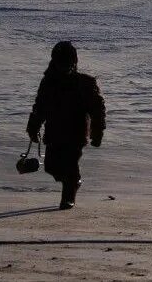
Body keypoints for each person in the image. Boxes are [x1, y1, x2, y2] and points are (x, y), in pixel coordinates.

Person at [26, 41, 106, 210]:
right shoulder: (48, 83)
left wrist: (97, 133)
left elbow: (97, 110)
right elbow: (40, 106)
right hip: (54, 131)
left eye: (69, 62)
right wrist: (33, 126)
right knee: (51, 166)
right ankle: (73, 182)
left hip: (75, 134)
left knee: (70, 164)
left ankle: (68, 195)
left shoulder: (84, 83)